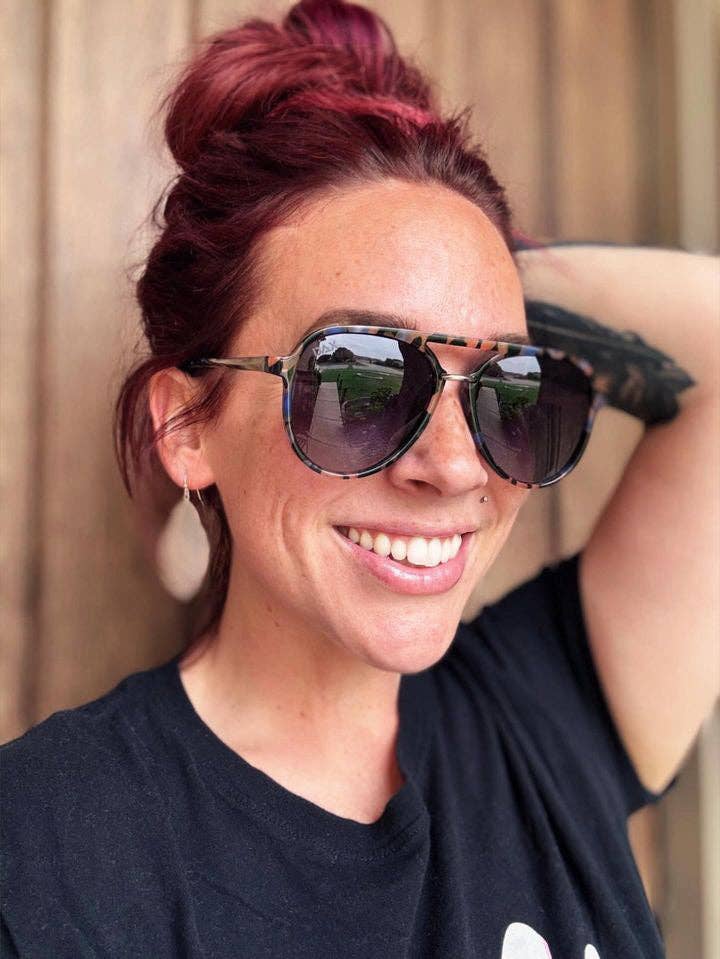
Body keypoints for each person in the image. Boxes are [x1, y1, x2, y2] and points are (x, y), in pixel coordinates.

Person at [2, 1, 718, 957]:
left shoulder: (547, 717)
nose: (456, 464)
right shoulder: (47, 852)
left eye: (512, 387)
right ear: (184, 425)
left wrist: (459, 245)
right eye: (360, 379)